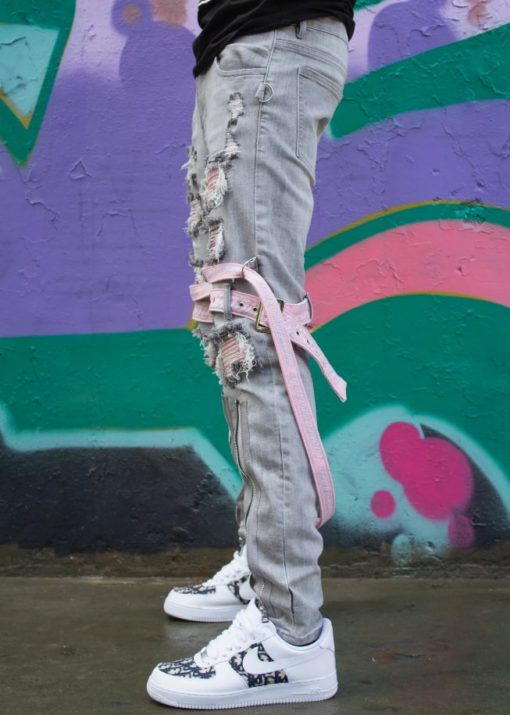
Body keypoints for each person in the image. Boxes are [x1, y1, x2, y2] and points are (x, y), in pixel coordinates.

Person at [147, 0, 356, 708]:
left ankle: (288, 626)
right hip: (243, 46)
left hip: (273, 40)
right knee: (234, 319)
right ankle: (267, 563)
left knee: (256, 322)